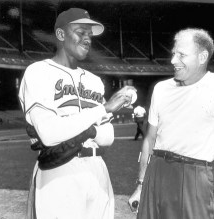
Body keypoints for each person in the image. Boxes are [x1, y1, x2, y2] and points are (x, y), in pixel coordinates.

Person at [128, 28, 214, 219]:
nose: (173, 60)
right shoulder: (161, 89)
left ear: (202, 57)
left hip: (193, 176)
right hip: (155, 174)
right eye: (173, 54)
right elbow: (149, 140)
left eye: (181, 55)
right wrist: (141, 185)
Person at [19, 8, 135, 219]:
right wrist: (102, 111)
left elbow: (108, 137)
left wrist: (81, 129)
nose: (87, 38)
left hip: (98, 171)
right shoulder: (38, 72)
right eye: (81, 31)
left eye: (90, 34)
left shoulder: (94, 81)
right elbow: (49, 133)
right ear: (61, 35)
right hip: (59, 172)